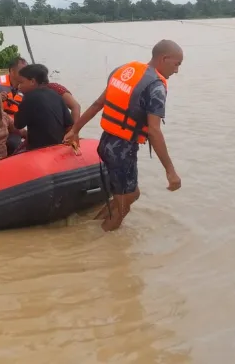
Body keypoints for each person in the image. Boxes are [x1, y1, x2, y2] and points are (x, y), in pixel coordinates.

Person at [63, 39, 184, 232]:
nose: (177, 70)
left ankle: (93, 226)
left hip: (106, 143)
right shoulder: (156, 87)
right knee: (125, 203)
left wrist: (75, 130)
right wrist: (170, 170)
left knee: (127, 196)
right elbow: (154, 130)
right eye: (177, 64)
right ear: (164, 58)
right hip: (122, 149)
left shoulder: (125, 70)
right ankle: (100, 244)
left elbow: (97, 104)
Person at [14, 64, 74, 151]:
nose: (19, 86)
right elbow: (69, 124)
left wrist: (18, 111)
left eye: (21, 82)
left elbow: (18, 124)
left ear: (32, 82)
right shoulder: (55, 94)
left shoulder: (28, 97)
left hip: (40, 149)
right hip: (59, 145)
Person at [0, 56, 27, 154]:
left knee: (16, 144)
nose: (25, 74)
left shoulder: (27, 88)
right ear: (12, 71)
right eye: (22, 71)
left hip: (16, 127)